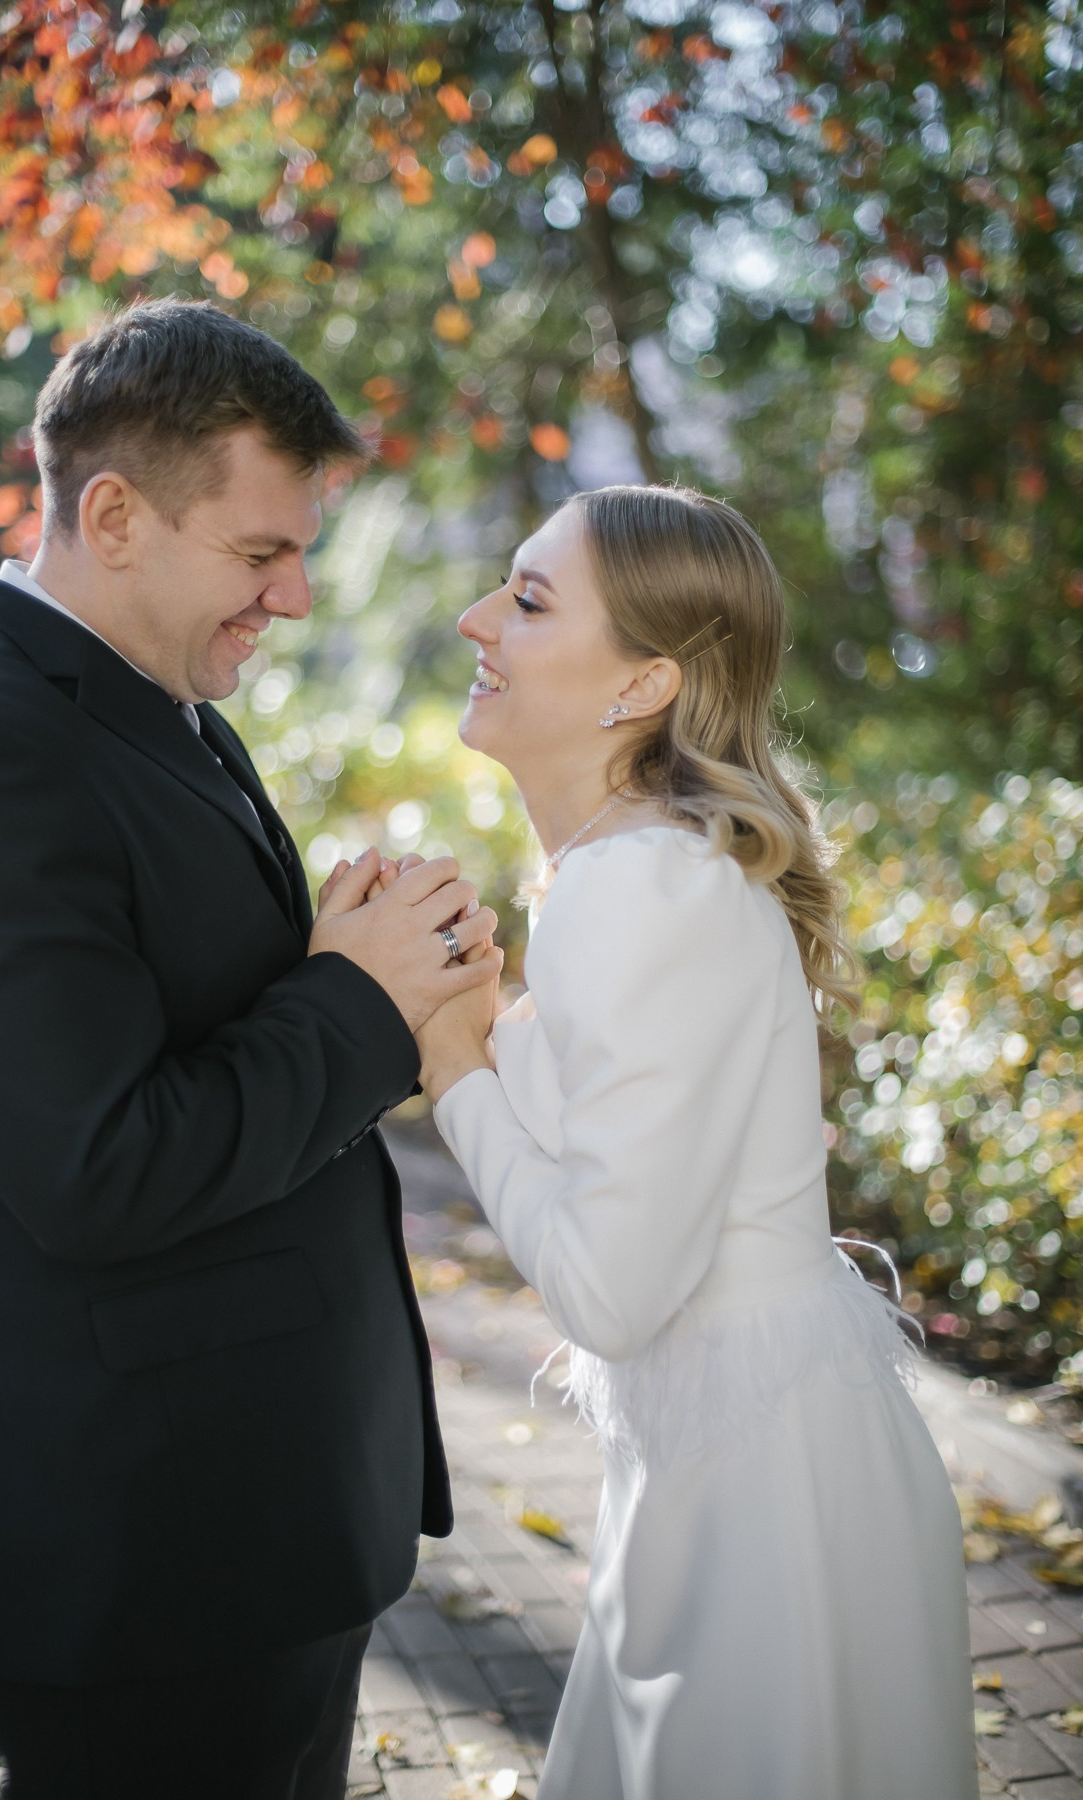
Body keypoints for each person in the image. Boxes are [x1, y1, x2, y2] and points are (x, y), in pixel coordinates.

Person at [0, 296, 501, 1800]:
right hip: (141, 1546)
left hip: (250, 1514)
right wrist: (356, 998)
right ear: (113, 516)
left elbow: (182, 1021)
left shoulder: (156, 706)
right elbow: (99, 1169)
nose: (294, 595)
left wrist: (334, 962)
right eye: (259, 551)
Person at [412, 485, 980, 1799]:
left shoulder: (639, 887)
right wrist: (491, 1023)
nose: (476, 618)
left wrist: (455, 1071)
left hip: (761, 1507)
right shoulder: (639, 868)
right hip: (738, 1455)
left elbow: (611, 1295)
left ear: (643, 684)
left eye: (529, 600)